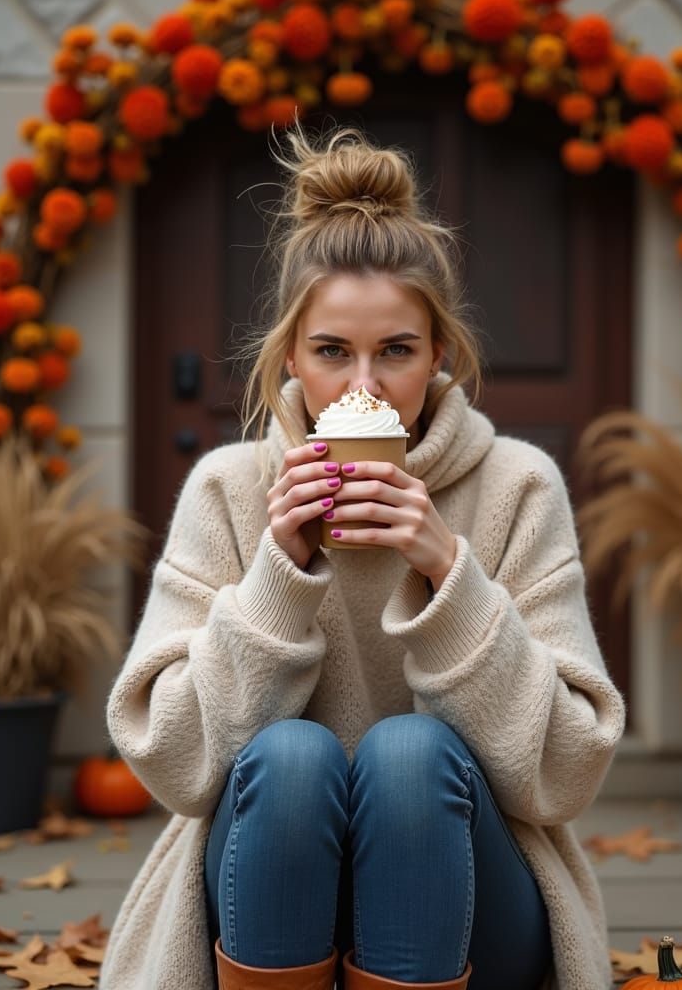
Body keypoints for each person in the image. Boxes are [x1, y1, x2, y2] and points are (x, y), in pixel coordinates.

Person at [99, 120, 625, 990]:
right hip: (264, 888)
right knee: (295, 758)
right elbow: (175, 763)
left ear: (440, 356)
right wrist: (279, 576)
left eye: (397, 353)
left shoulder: (517, 486)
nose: (364, 388)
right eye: (333, 352)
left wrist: (451, 578)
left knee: (409, 753)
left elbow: (564, 779)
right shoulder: (231, 489)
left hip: (470, 905)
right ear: (292, 364)